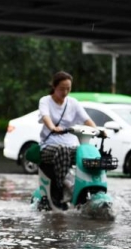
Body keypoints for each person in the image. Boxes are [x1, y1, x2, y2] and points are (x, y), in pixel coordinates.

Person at [38, 71, 100, 210]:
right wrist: (53, 127)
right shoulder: (45, 101)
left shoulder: (73, 103)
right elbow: (45, 116)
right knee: (62, 150)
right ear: (54, 86)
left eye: (68, 88)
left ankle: (88, 189)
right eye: (61, 89)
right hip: (49, 146)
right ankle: (62, 189)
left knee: (88, 154)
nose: (65, 92)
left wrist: (98, 130)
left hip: (71, 145)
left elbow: (86, 119)